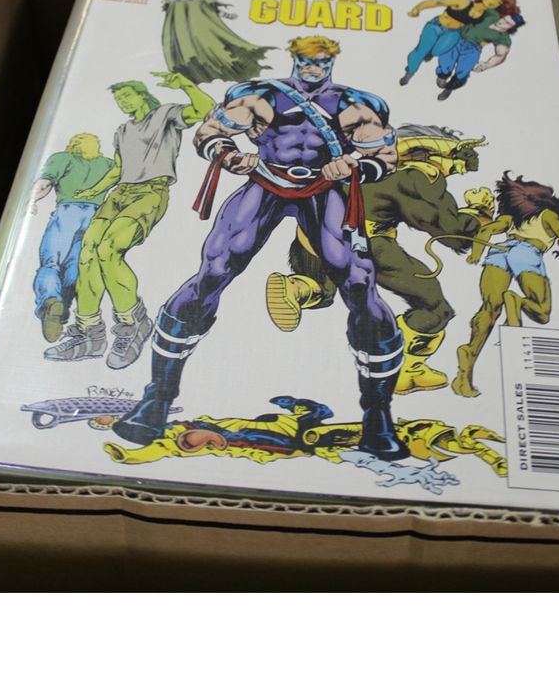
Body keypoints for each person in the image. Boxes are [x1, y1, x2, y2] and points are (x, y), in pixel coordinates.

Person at [111, 36, 410, 461]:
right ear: (295, 59)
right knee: (212, 273)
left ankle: (378, 416)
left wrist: (356, 164)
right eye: (306, 60)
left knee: (360, 284)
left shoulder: (355, 105)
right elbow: (210, 133)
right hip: (266, 184)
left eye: (321, 61)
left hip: (321, 191)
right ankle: (156, 399)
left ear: (331, 62)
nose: (312, 67)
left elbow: (386, 156)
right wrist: (231, 156)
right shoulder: (261, 96)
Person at [264, 126, 487, 396]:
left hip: (313, 235)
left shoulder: (365, 165)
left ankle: (300, 287)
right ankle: (405, 370)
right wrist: (479, 214)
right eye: (457, 163)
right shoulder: (420, 175)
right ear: (433, 152)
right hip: (365, 243)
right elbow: (450, 232)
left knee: (323, 285)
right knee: (434, 308)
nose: (457, 171)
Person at [44, 71, 215, 370]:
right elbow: (118, 169)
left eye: (126, 95)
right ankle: (90, 332)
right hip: (120, 193)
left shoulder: (165, 115)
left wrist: (186, 85)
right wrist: (93, 191)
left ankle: (133, 323)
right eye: (118, 98)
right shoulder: (123, 130)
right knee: (88, 251)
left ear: (141, 94)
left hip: (150, 193)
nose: (122, 102)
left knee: (109, 249)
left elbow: (205, 109)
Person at [454, 172, 559, 398]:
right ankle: (515, 301)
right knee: (542, 311)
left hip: (500, 252)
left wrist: (475, 255)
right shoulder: (547, 215)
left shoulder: (511, 218)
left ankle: (467, 362)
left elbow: (487, 230)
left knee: (489, 308)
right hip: (526, 253)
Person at [29, 133, 116, 343]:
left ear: (73, 145)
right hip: (95, 217)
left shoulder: (63, 159)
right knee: (76, 266)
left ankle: (51, 300)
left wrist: (30, 200)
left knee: (51, 263)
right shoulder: (106, 164)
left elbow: (45, 184)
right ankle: (63, 308)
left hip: (68, 213)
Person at [161, 0, 275, 85]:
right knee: (198, 45)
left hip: (204, 25)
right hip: (186, 25)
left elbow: (210, 8)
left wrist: (226, 14)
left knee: (212, 44)